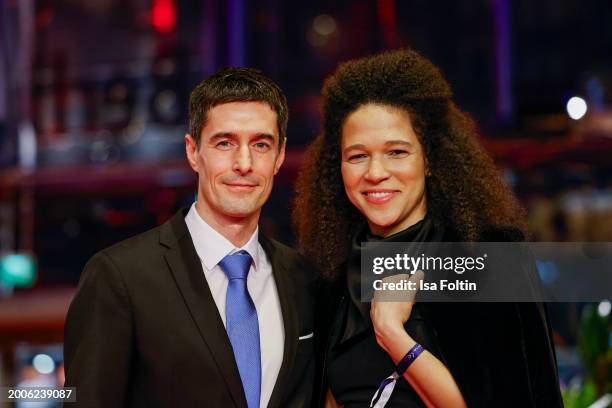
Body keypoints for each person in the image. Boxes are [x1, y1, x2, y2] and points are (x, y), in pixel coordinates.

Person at [293, 49, 562, 407]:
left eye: (397, 152)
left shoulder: (488, 257)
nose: (375, 173)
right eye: (357, 156)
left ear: (431, 160)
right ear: (336, 167)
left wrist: (394, 336)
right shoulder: (333, 279)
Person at [64, 67, 315, 408]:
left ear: (280, 155)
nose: (244, 163)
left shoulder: (302, 278)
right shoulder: (119, 277)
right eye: (225, 143)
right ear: (193, 151)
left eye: (260, 144)